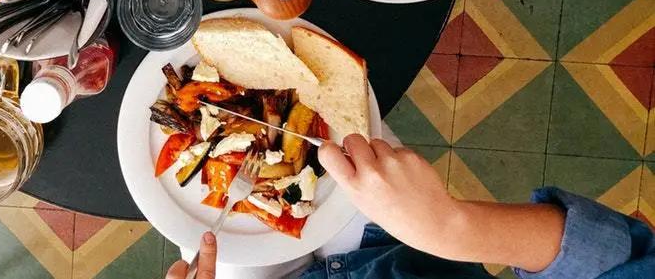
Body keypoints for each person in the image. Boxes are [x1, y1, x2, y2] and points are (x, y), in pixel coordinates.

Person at [165, 135, 655, 279]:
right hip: (408, 250)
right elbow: (622, 256)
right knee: (348, 136)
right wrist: (450, 227)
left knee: (194, 222)